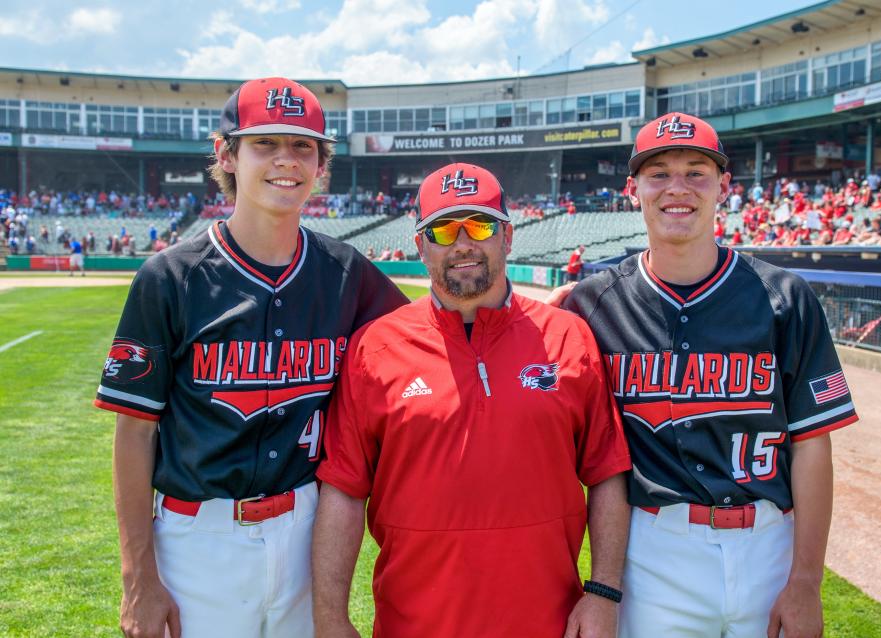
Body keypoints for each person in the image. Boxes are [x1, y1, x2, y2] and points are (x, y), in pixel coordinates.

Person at [94, 76, 407, 638]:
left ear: (321, 165)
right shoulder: (169, 277)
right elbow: (134, 434)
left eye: (302, 145)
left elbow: (425, 336)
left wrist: (546, 311)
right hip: (197, 539)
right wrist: (138, 577)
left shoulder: (347, 272)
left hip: (308, 532)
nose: (286, 160)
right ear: (227, 155)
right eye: (265, 143)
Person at [564, 112, 858, 638]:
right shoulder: (592, 305)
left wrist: (807, 581)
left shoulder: (784, 298)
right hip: (654, 548)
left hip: (770, 543)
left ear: (724, 186)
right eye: (659, 173)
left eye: (696, 171)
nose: (678, 188)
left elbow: (813, 444)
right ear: (634, 190)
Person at [313, 162, 632, 638]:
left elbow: (607, 473)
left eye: (479, 225)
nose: (462, 243)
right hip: (413, 625)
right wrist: (331, 618)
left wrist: (603, 594)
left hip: (547, 622)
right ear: (420, 246)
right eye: (443, 230)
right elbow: (343, 490)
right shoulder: (375, 348)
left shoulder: (568, 337)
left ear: (507, 235)